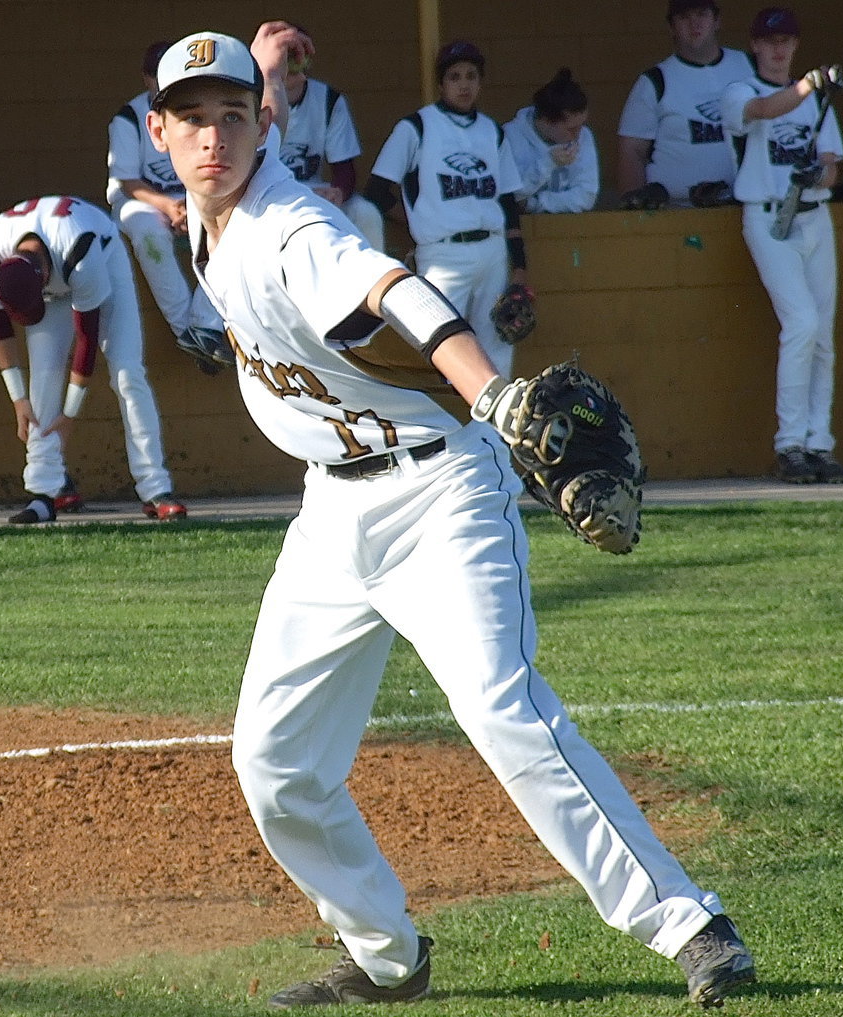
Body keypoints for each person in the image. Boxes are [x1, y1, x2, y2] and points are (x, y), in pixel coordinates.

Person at [146, 26, 757, 1011]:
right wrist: (263, 71)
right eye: (192, 121)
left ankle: (690, 924)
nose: (213, 139)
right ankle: (388, 960)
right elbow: (256, 116)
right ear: (159, 134)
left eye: (230, 119)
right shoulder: (211, 191)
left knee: (503, 709)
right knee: (275, 764)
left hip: (441, 495)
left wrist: (490, 395)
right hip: (330, 520)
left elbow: (397, 290)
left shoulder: (295, 231)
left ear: (254, 135)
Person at [0, 195, 186, 524]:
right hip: (54, 261)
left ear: (44, 275)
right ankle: (45, 492)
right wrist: (17, 399)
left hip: (102, 256)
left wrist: (70, 414)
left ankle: (155, 488)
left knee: (128, 373)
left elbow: (86, 338)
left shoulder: (79, 251)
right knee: (42, 377)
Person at [721, 7, 843, 484]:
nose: (778, 49)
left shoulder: (816, 99)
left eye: (787, 41)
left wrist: (821, 173)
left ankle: (820, 443)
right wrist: (807, 86)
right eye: (770, 41)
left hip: (815, 215)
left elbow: (832, 163)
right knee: (802, 322)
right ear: (754, 45)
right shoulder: (741, 90)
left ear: (795, 45)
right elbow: (763, 111)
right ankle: (789, 444)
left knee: (823, 336)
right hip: (770, 216)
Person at [365, 41, 527, 377]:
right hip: (443, 254)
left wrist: (520, 267)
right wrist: (417, 224)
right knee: (438, 346)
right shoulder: (416, 127)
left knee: (498, 351)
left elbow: (508, 202)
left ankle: (493, 430)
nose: (464, 84)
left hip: (492, 251)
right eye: (455, 77)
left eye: (471, 76)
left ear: (481, 83)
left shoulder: (492, 131)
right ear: (441, 84)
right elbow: (377, 192)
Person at [106, 40, 230, 374]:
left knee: (229, 225)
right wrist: (170, 207)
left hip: (190, 197)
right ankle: (186, 330)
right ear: (147, 79)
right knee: (148, 233)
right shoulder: (129, 117)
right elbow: (128, 182)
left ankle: (205, 325)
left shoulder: (193, 112)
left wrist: (193, 206)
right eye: (157, 76)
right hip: (141, 200)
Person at [617, 0, 754, 208]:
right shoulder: (654, 81)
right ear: (671, 27)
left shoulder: (751, 67)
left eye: (701, 14)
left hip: (749, 210)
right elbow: (632, 151)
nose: (694, 24)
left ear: (717, 21)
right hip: (676, 213)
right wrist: (635, 217)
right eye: (683, 18)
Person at [277, 28, 386, 250]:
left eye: (296, 56)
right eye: (283, 57)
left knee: (366, 213)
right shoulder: (252, 98)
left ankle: (372, 282)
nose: (289, 65)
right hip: (266, 192)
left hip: (311, 189)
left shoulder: (327, 99)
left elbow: (344, 168)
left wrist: (338, 192)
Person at [503, 67, 599, 213]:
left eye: (582, 125)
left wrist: (535, 203)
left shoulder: (584, 135)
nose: (579, 135)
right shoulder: (510, 136)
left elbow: (586, 196)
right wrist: (549, 162)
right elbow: (512, 192)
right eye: (571, 129)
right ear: (546, 121)